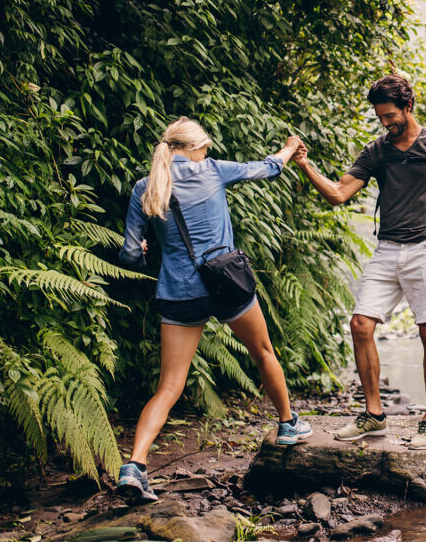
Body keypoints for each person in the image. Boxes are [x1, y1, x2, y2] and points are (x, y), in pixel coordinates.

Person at [115, 116, 312, 504]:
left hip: (179, 294)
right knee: (263, 352)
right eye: (204, 147)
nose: (207, 153)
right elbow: (268, 167)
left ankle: (134, 467)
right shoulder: (213, 170)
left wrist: (140, 253)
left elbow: (128, 255)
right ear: (193, 148)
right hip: (226, 284)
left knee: (169, 386)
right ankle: (288, 424)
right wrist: (290, 148)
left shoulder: (145, 187)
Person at [292, 74, 426, 450]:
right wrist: (304, 165)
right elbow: (339, 194)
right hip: (388, 249)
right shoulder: (376, 150)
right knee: (360, 324)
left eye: (390, 115)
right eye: (380, 117)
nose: (386, 123)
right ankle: (374, 416)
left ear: (408, 107)